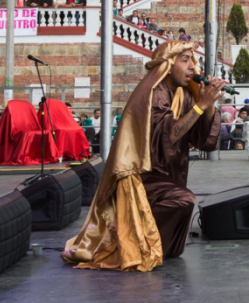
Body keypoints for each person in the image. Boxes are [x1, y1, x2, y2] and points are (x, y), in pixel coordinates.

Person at [63, 41, 227, 271]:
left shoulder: (183, 93)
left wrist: (208, 104)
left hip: (169, 176)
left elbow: (205, 142)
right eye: (185, 60)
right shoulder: (153, 94)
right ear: (167, 65)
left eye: (193, 60)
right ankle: (131, 239)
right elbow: (171, 135)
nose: (193, 66)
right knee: (184, 200)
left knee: (177, 243)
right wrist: (202, 105)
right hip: (143, 178)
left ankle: (153, 245)